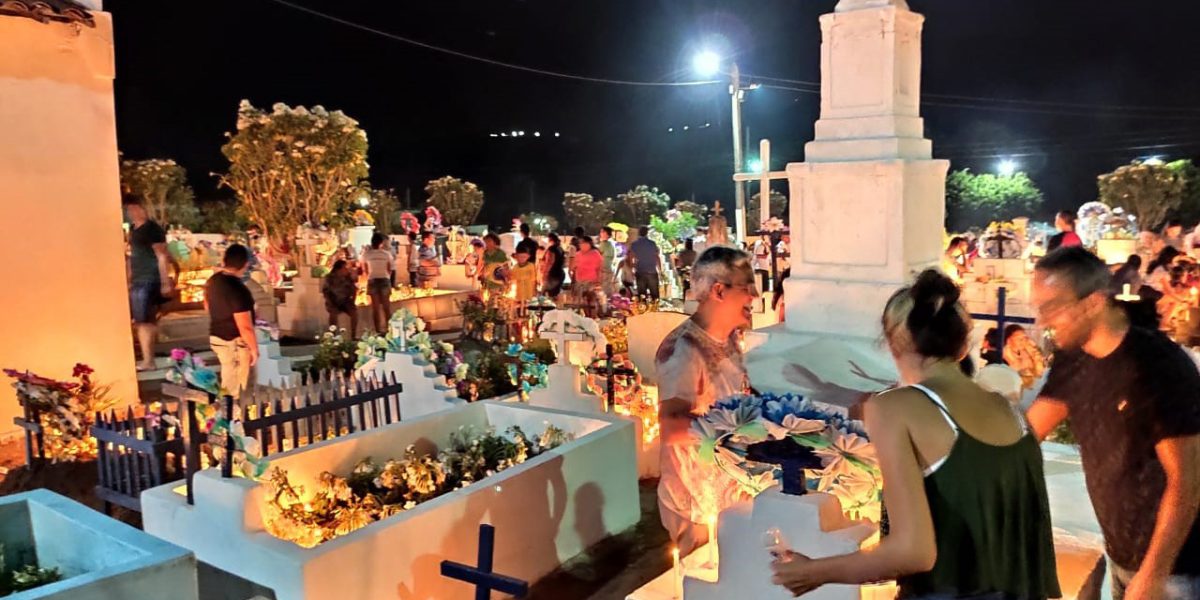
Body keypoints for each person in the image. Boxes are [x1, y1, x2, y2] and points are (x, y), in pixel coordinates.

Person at [772, 269, 1060, 599]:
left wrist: (812, 573)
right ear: (964, 345)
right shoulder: (1009, 410)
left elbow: (913, 552)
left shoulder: (893, 408)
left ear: (892, 342)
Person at [1027, 247, 1200, 599]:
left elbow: (1187, 481)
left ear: (1092, 303)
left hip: (1174, 570)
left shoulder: (1156, 367)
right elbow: (1026, 435)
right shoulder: (1073, 359)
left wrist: (1154, 573)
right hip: (1123, 556)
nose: (1041, 322)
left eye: (1051, 308)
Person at [655, 246, 757, 555]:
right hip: (696, 503)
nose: (753, 296)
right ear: (718, 291)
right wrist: (736, 428)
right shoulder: (684, 349)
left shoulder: (730, 339)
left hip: (731, 492)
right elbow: (672, 428)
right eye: (746, 287)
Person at [124, 199, 176, 371]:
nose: (133, 212)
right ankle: (148, 358)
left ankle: (148, 360)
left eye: (136, 208)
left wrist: (164, 281)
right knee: (143, 320)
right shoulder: (133, 229)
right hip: (139, 278)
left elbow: (162, 255)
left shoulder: (152, 229)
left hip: (149, 278)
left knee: (144, 321)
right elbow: (133, 256)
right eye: (130, 209)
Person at [204, 244, 258, 400]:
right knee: (236, 386)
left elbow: (207, 305)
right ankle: (232, 417)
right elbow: (245, 326)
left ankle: (229, 414)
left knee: (228, 378)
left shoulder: (213, 281)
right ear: (246, 264)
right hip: (234, 341)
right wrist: (254, 349)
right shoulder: (239, 290)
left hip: (217, 335)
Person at [361, 233, 394, 333]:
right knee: (386, 307)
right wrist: (387, 276)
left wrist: (370, 276)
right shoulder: (387, 254)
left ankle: (378, 330)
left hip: (372, 280)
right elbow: (390, 269)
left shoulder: (366, 254)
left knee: (375, 308)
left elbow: (365, 269)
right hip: (384, 279)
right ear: (381, 243)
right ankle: (390, 330)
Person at [1002, 324, 1045, 390]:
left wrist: (1034, 351)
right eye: (1019, 338)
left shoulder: (1026, 353)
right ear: (1009, 340)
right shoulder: (1003, 356)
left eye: (1025, 338)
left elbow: (1039, 372)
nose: (1023, 341)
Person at [321, 259, 358, 335]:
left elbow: (353, 289)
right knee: (333, 314)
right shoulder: (330, 278)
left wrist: (352, 300)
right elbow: (326, 291)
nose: (346, 270)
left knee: (354, 313)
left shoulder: (348, 278)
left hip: (345, 300)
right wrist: (330, 302)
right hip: (333, 300)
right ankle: (333, 334)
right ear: (339, 269)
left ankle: (353, 335)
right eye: (344, 268)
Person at [571, 236, 605, 315]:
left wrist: (599, 281)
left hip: (591, 281)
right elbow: (574, 267)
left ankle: (593, 317)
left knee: (591, 300)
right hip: (579, 281)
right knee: (582, 302)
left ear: (589, 244)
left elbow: (600, 268)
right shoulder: (578, 254)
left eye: (583, 243)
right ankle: (586, 317)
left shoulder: (595, 254)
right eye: (580, 243)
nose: (581, 245)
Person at [630, 226, 663, 300]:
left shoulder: (634, 244)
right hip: (652, 271)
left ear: (638, 233)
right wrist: (660, 270)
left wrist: (633, 268)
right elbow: (657, 257)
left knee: (642, 296)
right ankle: (655, 310)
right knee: (655, 295)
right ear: (647, 233)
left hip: (640, 271)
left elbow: (631, 258)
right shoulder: (652, 244)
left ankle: (644, 310)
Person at [541, 233, 566, 298]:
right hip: (560, 274)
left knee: (544, 294)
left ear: (550, 239)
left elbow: (549, 262)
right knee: (555, 294)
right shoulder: (560, 248)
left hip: (553, 275)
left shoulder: (551, 249)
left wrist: (545, 274)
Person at [598, 226, 617, 296]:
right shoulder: (612, 243)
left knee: (604, 290)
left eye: (603, 232)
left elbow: (598, 255)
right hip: (609, 268)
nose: (601, 233)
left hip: (604, 269)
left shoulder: (604, 243)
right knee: (608, 288)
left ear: (607, 234)